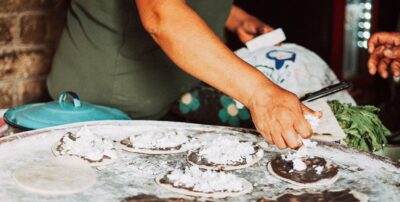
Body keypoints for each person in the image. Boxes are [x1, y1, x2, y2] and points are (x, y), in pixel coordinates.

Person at [48, 1, 318, 149]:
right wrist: (262, 95)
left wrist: (235, 18)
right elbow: (160, 14)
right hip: (95, 109)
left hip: (164, 97)